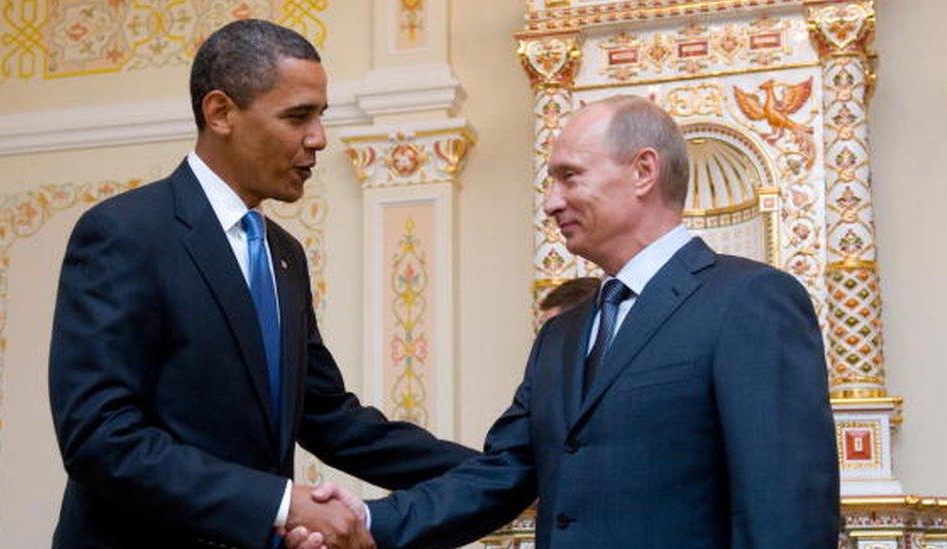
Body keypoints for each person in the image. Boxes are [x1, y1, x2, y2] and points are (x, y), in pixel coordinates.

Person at [290, 95, 840, 548]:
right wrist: (367, 521)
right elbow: (504, 472)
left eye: (569, 177)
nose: (551, 202)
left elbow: (784, 510)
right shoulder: (563, 333)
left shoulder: (750, 300)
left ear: (643, 170)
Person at [47, 19, 476, 549]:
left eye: (321, 117)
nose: (318, 139)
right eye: (299, 117)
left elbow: (329, 418)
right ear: (221, 113)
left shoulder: (284, 255)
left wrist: (501, 475)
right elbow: (100, 437)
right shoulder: (124, 233)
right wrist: (277, 504)